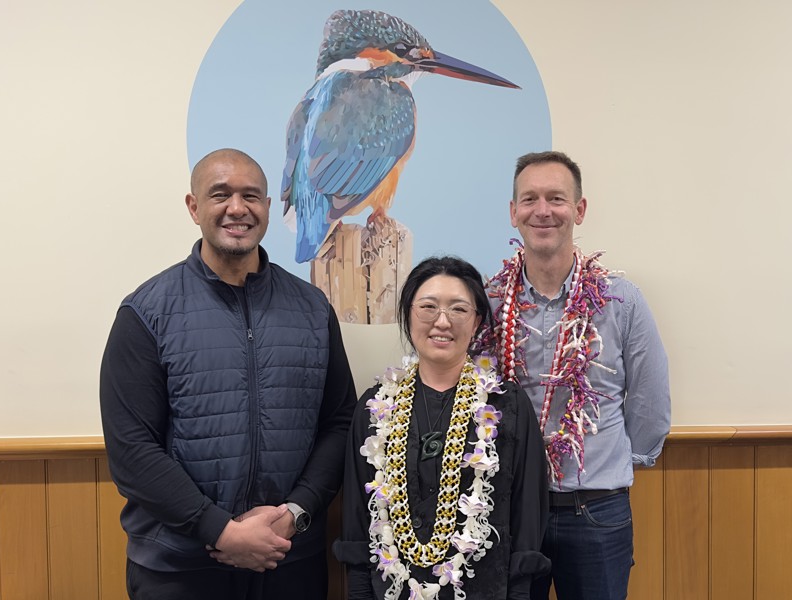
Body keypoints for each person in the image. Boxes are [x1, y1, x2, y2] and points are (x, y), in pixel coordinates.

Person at [99, 148, 358, 599]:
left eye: (251, 196)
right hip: (179, 567)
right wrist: (219, 530)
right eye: (220, 194)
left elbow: (339, 422)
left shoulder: (313, 309)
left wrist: (295, 512)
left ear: (268, 209)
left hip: (287, 557)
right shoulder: (146, 312)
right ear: (193, 207)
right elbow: (131, 450)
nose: (237, 208)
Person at [482, 151, 671, 600]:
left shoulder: (621, 301)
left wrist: (616, 466)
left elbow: (650, 405)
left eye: (556, 198)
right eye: (529, 199)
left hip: (596, 511)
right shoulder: (487, 303)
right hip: (509, 510)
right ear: (513, 213)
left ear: (579, 210)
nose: (542, 210)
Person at [335, 256, 551, 600]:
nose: (442, 321)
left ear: (477, 320)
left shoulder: (506, 406)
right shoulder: (375, 408)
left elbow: (527, 516)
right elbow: (358, 521)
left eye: (458, 309)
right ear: (408, 313)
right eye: (428, 307)